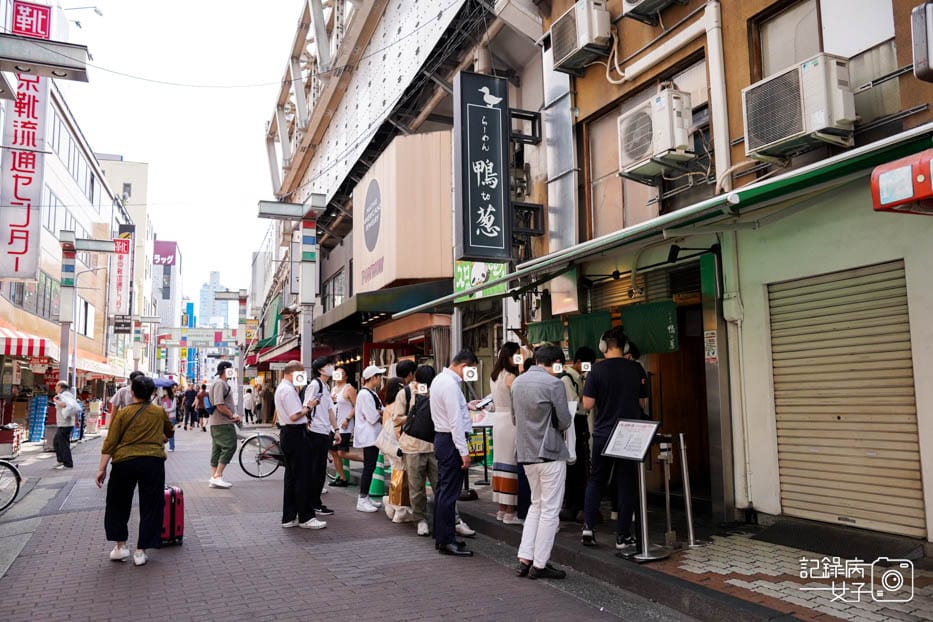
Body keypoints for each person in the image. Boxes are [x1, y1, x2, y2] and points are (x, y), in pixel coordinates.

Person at [96, 374, 174, 566]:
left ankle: (120, 546)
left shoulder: (123, 413)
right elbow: (169, 432)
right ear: (152, 393)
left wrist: (102, 468)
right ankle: (141, 551)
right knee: (151, 505)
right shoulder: (158, 412)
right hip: (152, 462)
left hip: (124, 462)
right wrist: (159, 437)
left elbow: (111, 441)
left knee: (117, 503)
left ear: (132, 392)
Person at [581, 327, 648, 550]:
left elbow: (587, 404)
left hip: (603, 433)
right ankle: (622, 536)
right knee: (626, 482)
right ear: (625, 347)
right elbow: (642, 403)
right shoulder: (636, 369)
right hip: (629, 433)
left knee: (596, 480)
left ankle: (588, 528)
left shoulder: (597, 370)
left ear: (603, 347)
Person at [511, 345, 573, 580]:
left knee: (535, 505)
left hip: (526, 453)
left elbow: (515, 419)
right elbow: (565, 421)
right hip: (549, 453)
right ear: (556, 362)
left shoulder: (517, 382)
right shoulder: (554, 384)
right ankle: (539, 564)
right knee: (550, 510)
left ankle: (525, 558)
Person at [430, 349, 482, 557]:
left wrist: (466, 406)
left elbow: (451, 413)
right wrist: (464, 452)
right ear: (464, 365)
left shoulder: (439, 380)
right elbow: (455, 422)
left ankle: (442, 536)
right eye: (470, 370)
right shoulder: (450, 384)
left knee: (443, 490)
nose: (470, 374)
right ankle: (446, 540)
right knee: (449, 492)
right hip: (451, 440)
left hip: (443, 439)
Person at [274, 360, 326, 529]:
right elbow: (295, 415)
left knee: (292, 477)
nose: (303, 376)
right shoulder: (288, 390)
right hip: (295, 433)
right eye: (301, 373)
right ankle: (306, 517)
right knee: (303, 476)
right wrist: (310, 406)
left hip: (289, 433)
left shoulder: (283, 388)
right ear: (293, 372)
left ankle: (289, 517)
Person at [560, 346, 596, 521]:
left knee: (582, 464)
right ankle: (572, 504)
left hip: (581, 423)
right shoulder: (567, 379)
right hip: (573, 424)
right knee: (575, 464)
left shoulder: (580, 378)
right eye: (587, 365)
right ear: (579, 362)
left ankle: (579, 503)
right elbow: (575, 405)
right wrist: (589, 391)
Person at [489, 342, 522, 525]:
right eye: (517, 355)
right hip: (510, 421)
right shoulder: (511, 377)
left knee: (500, 464)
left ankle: (501, 508)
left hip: (498, 421)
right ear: (510, 356)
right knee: (511, 464)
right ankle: (510, 511)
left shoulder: (494, 376)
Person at [305, 357, 341, 517]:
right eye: (328, 365)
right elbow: (306, 406)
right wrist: (309, 425)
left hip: (324, 432)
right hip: (315, 432)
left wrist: (336, 429)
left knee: (320, 469)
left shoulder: (325, 386)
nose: (332, 367)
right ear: (320, 369)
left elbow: (329, 410)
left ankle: (315, 502)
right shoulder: (315, 385)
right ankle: (314, 503)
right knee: (316, 470)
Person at [354, 365, 386, 512]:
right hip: (369, 435)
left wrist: (379, 412)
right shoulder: (365, 394)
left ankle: (365, 497)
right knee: (369, 467)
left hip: (373, 435)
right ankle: (362, 499)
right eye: (379, 376)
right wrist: (380, 413)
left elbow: (381, 411)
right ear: (373, 378)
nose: (380, 379)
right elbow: (372, 417)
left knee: (370, 466)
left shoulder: (371, 393)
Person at [208, 362, 241, 489]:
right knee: (230, 446)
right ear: (226, 370)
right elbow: (219, 404)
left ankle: (214, 477)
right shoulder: (220, 384)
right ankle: (218, 475)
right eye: (231, 369)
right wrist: (232, 415)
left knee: (217, 449)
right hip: (223, 422)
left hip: (217, 422)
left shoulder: (219, 383)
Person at [329, 366, 357, 487]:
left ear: (346, 376)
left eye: (341, 373)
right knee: (333, 452)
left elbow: (357, 406)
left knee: (341, 452)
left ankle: (365, 459)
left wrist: (348, 418)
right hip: (333, 426)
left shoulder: (349, 388)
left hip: (345, 426)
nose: (338, 375)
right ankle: (341, 478)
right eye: (337, 373)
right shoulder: (333, 389)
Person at [52, 381, 80, 470]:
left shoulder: (62, 396)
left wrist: (55, 400)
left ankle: (68, 464)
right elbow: (75, 407)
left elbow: (64, 405)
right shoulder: (69, 395)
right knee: (57, 442)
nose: (55, 388)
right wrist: (76, 420)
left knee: (63, 444)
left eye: (56, 386)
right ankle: (60, 460)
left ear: (60, 387)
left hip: (64, 424)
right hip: (67, 423)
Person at [161, 386, 178, 452]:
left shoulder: (173, 398)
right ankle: (162, 446)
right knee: (162, 432)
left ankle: (172, 447)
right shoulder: (162, 399)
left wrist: (165, 410)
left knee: (170, 432)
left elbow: (173, 408)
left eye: (165, 390)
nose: (163, 392)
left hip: (171, 417)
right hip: (163, 417)